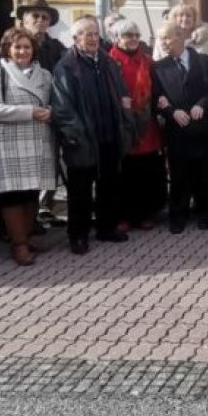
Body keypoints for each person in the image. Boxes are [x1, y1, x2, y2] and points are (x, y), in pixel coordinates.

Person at [51, 16, 133, 255]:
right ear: (75, 39)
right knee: (80, 190)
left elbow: (122, 94)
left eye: (95, 33)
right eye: (87, 34)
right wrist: (75, 135)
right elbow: (62, 107)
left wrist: (125, 123)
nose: (93, 38)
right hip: (83, 138)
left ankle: (106, 228)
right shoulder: (66, 66)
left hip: (109, 134)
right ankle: (78, 235)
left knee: (109, 185)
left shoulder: (108, 62)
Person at [0, 27, 59, 267]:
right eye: (17, 47)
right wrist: (30, 112)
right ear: (7, 49)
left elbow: (56, 101)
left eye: (27, 47)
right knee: (12, 194)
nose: (22, 51)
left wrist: (51, 112)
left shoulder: (45, 75)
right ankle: (19, 245)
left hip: (39, 139)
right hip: (10, 141)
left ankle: (26, 237)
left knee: (32, 191)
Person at [152, 20, 208, 233]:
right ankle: (178, 215)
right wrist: (171, 111)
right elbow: (156, 97)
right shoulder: (158, 67)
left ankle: (204, 212)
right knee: (179, 174)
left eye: (166, 38)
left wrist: (203, 104)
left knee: (203, 173)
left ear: (180, 36)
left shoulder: (206, 62)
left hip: (202, 127)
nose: (161, 42)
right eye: (159, 38)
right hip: (177, 129)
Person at [109, 19, 165, 231]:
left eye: (135, 35)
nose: (133, 39)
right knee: (123, 173)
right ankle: (122, 215)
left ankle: (143, 214)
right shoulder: (109, 61)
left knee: (145, 171)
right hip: (121, 124)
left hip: (146, 123)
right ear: (117, 39)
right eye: (127, 35)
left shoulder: (148, 62)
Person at [18, 0, 65, 72]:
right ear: (25, 21)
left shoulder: (57, 48)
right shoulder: (14, 45)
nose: (40, 19)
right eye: (35, 16)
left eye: (44, 17)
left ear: (49, 23)